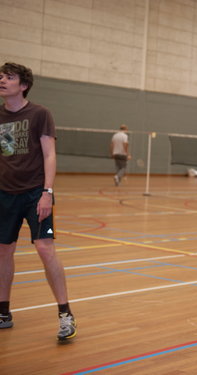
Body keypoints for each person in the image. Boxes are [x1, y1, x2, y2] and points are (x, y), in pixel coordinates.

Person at [0, 62, 77, 341]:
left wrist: (47, 192)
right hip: (5, 194)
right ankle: (3, 311)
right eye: (1, 76)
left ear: (23, 86)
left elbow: (49, 155)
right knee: (3, 251)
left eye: (9, 77)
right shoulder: (1, 115)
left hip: (35, 193)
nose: (2, 80)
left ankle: (65, 314)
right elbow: (8, 152)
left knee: (45, 250)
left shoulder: (39, 114)